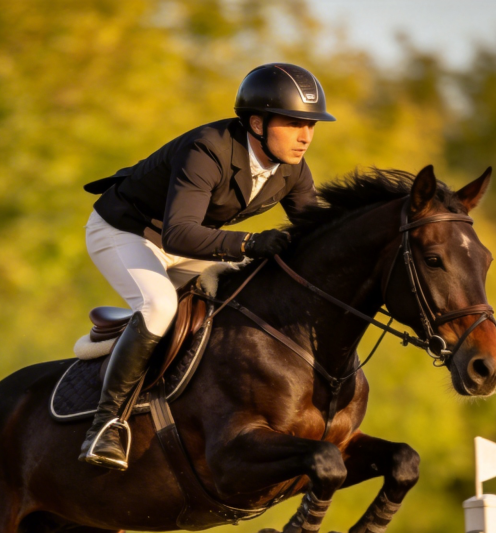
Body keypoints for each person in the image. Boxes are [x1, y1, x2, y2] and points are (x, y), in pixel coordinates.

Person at [79, 63, 336, 470]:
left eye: (311, 125)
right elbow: (180, 233)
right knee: (160, 306)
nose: (306, 136)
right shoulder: (208, 148)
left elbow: (319, 237)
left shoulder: (292, 169)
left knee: (245, 287)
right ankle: (106, 424)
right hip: (126, 231)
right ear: (257, 122)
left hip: (187, 241)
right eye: (293, 124)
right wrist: (249, 242)